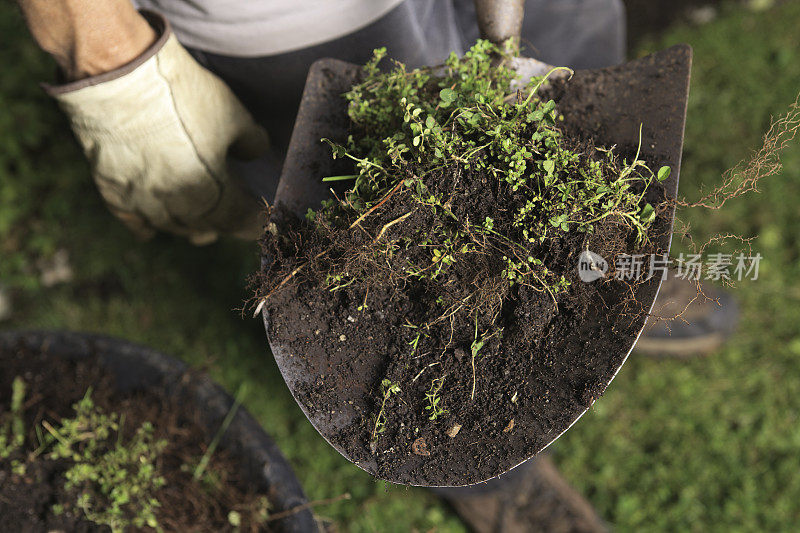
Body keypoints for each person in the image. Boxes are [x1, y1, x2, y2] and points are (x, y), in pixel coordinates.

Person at [13, 0, 732, 529]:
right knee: (401, 263)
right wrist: (102, 50)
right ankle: (488, 461)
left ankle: (605, 274)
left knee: (578, 100)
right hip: (292, 18)